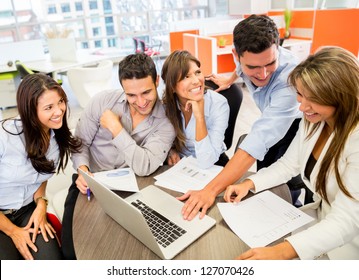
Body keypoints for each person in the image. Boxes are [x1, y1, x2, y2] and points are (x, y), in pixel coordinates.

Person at [224, 46, 359, 260]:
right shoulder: (314, 120)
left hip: (348, 244)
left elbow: (347, 221)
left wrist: (282, 251)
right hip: (320, 223)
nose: (303, 106)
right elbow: (289, 164)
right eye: (300, 94)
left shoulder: (355, 140)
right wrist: (249, 184)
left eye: (313, 98)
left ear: (341, 96)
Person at [178, 14, 304, 220]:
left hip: (294, 124)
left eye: (270, 63)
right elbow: (240, 69)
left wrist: (210, 190)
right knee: (264, 175)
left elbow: (257, 141)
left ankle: (291, 210)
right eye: (252, 67)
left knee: (284, 182)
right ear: (236, 55)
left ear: (278, 48)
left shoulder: (289, 80)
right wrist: (229, 81)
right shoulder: (246, 59)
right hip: (268, 116)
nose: (263, 74)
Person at [61, 53, 176, 259]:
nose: (140, 102)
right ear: (122, 87)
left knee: (129, 251)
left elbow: (145, 166)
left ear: (157, 81)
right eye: (131, 95)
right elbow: (79, 144)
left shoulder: (166, 122)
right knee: (72, 252)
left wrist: (115, 128)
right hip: (89, 182)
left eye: (146, 92)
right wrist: (83, 171)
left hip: (131, 186)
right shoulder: (102, 101)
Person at [0, 73, 82, 260]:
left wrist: (40, 205)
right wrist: (13, 232)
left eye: (61, 101)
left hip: (27, 210)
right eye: (49, 107)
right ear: (30, 111)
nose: (59, 111)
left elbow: (41, 177)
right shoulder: (4, 138)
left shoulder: (56, 140)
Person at [161, 50, 230, 168]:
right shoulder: (166, 107)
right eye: (185, 77)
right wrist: (170, 150)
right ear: (172, 87)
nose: (196, 81)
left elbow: (207, 161)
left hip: (213, 163)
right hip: (180, 164)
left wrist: (199, 117)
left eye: (197, 72)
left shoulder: (218, 104)